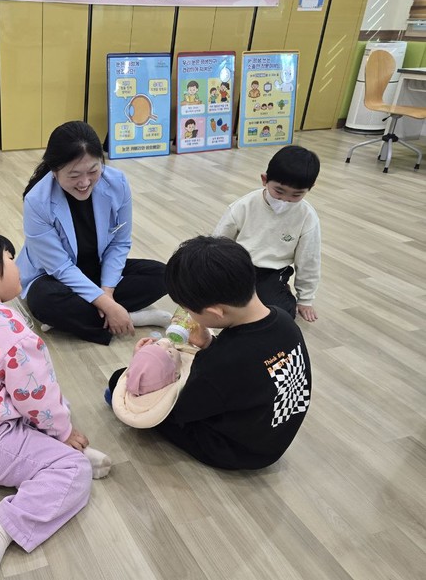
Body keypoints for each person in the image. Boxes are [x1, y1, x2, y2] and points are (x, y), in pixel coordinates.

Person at [0, 231, 112, 580]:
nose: (18, 267)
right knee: (73, 469)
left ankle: (52, 448)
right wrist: (64, 432)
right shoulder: (9, 326)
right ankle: (2, 526)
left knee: (53, 407)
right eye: (11, 259)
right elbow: (35, 395)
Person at [107, 236, 312, 470]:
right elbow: (251, 370)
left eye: (189, 310)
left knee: (118, 380)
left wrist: (141, 366)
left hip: (235, 450)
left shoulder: (222, 362)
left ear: (216, 312)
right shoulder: (282, 318)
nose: (188, 315)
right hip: (272, 435)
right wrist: (208, 343)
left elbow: (180, 410)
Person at [17, 121, 171, 345]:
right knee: (43, 300)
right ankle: (130, 317)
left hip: (97, 268)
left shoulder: (117, 183)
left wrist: (106, 294)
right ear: (54, 171)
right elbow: (60, 267)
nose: (84, 182)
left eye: (93, 171)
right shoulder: (37, 201)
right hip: (54, 276)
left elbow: (119, 243)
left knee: (163, 274)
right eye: (74, 175)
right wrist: (108, 306)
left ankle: (75, 319)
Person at [213, 145, 321, 322]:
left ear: (310, 188)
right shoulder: (244, 205)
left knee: (280, 314)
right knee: (214, 299)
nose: (285, 200)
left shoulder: (307, 217)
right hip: (239, 266)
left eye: (296, 195)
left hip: (272, 272)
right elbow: (218, 242)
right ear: (265, 179)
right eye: (279, 191)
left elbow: (309, 260)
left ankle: (280, 290)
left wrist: (305, 299)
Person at [105, 336, 195, 429]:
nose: (170, 345)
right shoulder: (180, 388)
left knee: (116, 378)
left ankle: (111, 394)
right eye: (170, 352)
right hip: (173, 420)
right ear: (175, 374)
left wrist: (138, 358)